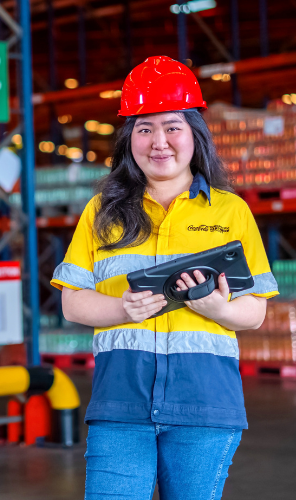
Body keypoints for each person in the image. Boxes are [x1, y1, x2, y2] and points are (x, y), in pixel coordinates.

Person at [50, 56, 278, 500]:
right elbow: (72, 302)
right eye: (144, 128)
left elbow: (255, 312)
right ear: (128, 138)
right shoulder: (103, 213)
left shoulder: (230, 211)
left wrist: (217, 308)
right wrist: (121, 308)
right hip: (121, 403)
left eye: (172, 126)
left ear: (195, 133)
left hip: (205, 406)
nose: (159, 142)